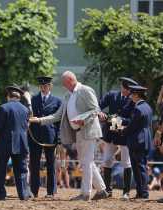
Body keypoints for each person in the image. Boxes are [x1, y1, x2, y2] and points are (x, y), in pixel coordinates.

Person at [29, 71, 108, 201]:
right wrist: (38, 120)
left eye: (65, 83)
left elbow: (95, 110)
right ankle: (101, 190)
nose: (64, 86)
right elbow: (57, 116)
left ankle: (85, 194)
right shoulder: (67, 96)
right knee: (87, 162)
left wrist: (84, 120)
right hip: (78, 132)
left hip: (88, 131)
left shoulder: (85, 90)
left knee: (86, 162)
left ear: (71, 80)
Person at [0, 85, 30, 201]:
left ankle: (1, 195)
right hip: (21, 143)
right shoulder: (25, 109)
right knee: (21, 170)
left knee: (1, 169)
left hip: (5, 143)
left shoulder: (3, 108)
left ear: (8, 96)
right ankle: (23, 194)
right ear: (18, 97)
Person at [98, 77, 137, 200]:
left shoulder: (133, 101)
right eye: (126, 89)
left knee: (126, 162)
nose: (128, 92)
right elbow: (98, 105)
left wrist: (113, 119)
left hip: (124, 134)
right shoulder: (112, 95)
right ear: (123, 88)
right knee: (107, 160)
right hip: (111, 134)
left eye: (129, 90)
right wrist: (100, 113)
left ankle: (126, 192)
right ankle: (108, 190)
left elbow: (131, 119)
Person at [28, 76, 62, 198]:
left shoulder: (57, 101)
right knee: (34, 164)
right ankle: (34, 191)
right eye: (41, 86)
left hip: (50, 136)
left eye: (46, 85)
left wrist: (59, 138)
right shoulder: (33, 99)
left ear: (50, 86)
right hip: (34, 136)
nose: (43, 87)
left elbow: (59, 122)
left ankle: (51, 192)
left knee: (51, 164)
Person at [120, 85, 153, 200]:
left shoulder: (138, 109)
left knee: (139, 168)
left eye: (132, 94)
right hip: (144, 140)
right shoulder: (147, 107)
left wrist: (122, 130)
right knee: (140, 167)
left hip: (137, 140)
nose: (130, 97)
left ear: (136, 95)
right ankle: (141, 192)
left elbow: (132, 126)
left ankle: (143, 193)